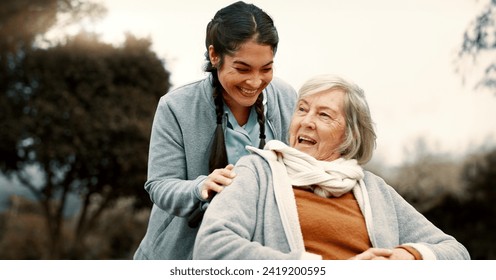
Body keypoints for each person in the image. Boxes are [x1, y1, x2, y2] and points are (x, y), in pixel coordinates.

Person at [193, 74, 470, 260]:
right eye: (302, 109)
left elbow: (456, 252)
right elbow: (211, 245)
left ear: (349, 135)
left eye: (324, 115)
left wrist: (407, 256)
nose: (306, 121)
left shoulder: (373, 189)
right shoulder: (256, 172)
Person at [133, 1, 297, 260]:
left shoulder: (285, 97)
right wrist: (200, 187)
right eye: (242, 69)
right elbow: (159, 185)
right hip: (181, 257)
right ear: (214, 55)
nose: (255, 82)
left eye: (266, 69)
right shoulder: (176, 107)